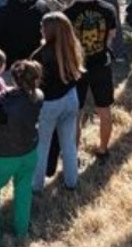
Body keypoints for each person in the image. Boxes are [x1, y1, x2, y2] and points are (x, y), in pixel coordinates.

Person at [0, 59, 44, 245]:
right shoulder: (39, 96)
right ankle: (22, 231)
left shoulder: (6, 101)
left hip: (4, 154)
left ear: (15, 79)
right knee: (23, 190)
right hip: (29, 151)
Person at [64, 0, 117, 157]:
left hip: (77, 67)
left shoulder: (69, 13)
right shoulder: (108, 9)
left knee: (75, 114)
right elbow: (111, 34)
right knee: (105, 110)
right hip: (101, 63)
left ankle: (73, 154)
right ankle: (103, 149)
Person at [32, 13, 85, 192]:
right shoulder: (72, 48)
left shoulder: (39, 56)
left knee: (42, 146)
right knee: (69, 143)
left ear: (49, 31)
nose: (40, 29)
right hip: (71, 98)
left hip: (49, 105)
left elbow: (34, 85)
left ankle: (36, 186)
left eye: (42, 27)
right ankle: (72, 182)